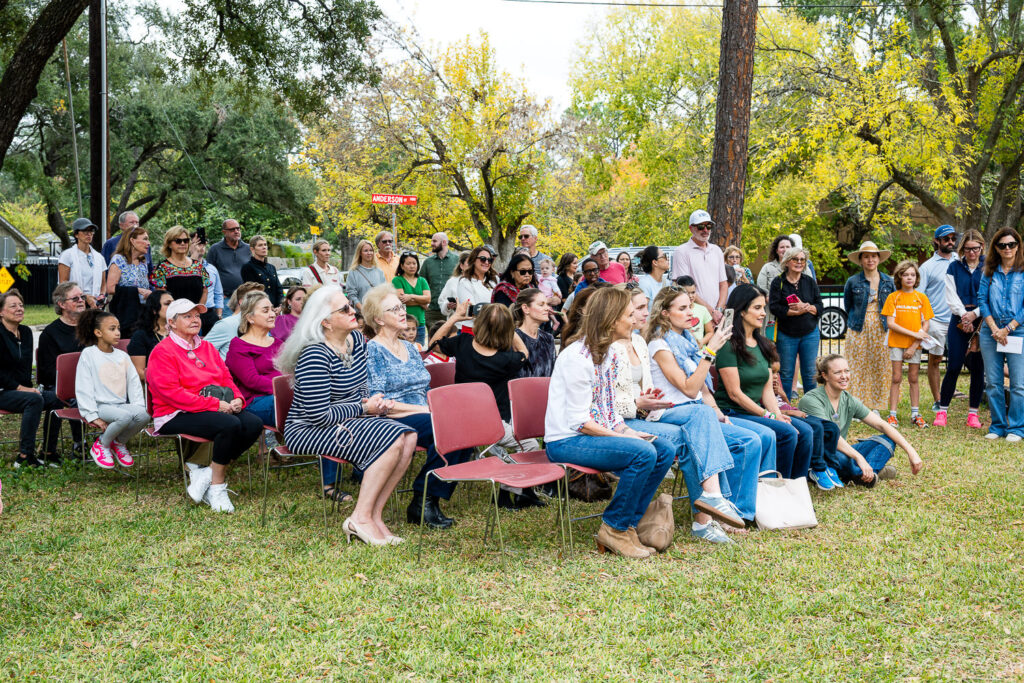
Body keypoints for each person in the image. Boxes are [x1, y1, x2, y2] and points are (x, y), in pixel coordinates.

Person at [277, 286, 417, 545]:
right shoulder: (315, 354)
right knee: (394, 436)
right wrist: (364, 408)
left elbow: (360, 388)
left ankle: (375, 515)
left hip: (345, 420)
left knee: (408, 434)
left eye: (350, 305)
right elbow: (318, 415)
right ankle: (359, 519)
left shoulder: (357, 342)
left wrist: (368, 400)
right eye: (344, 309)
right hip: (307, 430)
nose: (353, 311)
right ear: (326, 321)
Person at [545, 287, 672, 558]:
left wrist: (629, 431)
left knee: (664, 449)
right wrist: (627, 439)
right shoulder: (577, 358)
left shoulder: (612, 354)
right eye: (629, 314)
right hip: (566, 440)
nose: (635, 319)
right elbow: (580, 423)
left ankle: (628, 525)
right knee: (643, 452)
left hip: (593, 434)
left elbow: (609, 412)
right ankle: (613, 528)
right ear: (611, 320)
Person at [617, 287, 745, 542]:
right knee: (699, 419)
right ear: (621, 311)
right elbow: (607, 403)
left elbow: (693, 391)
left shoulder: (642, 342)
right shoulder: (626, 346)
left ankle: (707, 513)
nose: (645, 312)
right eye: (639, 307)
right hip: (628, 420)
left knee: (700, 425)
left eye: (645, 306)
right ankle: (709, 508)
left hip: (655, 412)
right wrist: (710, 352)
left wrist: (648, 401)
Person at [644, 286, 774, 536]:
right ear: (664, 314)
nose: (689, 312)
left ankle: (736, 512)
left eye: (689, 306)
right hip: (671, 413)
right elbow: (689, 389)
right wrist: (710, 350)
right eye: (682, 308)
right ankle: (713, 512)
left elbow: (703, 391)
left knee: (749, 440)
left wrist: (718, 412)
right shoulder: (659, 346)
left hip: (698, 411)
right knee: (700, 432)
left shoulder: (687, 341)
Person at [363, 285, 469, 529]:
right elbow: (378, 400)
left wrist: (438, 407)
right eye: (394, 309)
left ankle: (428, 498)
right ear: (378, 319)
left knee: (464, 429)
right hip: (390, 417)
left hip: (424, 412)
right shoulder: (373, 350)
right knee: (449, 428)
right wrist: (428, 412)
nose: (402, 312)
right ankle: (423, 499)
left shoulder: (411, 348)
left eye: (402, 307)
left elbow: (424, 389)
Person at [148, 299, 263, 513]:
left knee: (254, 423)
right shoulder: (163, 351)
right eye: (187, 316)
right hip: (174, 413)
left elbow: (226, 378)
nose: (195, 320)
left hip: (211, 406)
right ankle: (217, 487)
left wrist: (237, 398)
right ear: (171, 323)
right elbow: (171, 394)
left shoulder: (207, 347)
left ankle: (207, 473)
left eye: (197, 316)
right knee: (228, 425)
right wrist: (214, 405)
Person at [428, 301, 544, 509]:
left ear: (478, 325)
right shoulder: (506, 359)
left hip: (459, 417)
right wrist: (511, 331)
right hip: (492, 424)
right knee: (530, 445)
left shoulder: (463, 343)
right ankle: (512, 491)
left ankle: (518, 493)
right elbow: (524, 352)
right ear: (507, 331)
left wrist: (455, 317)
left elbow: (434, 343)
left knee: (505, 445)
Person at [716, 284, 813, 481]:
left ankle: (795, 487)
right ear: (742, 311)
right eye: (757, 308)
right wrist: (769, 415)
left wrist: (777, 414)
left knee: (806, 431)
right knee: (787, 433)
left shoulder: (762, 344)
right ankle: (775, 488)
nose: (763, 313)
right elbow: (735, 393)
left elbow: (767, 389)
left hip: (758, 411)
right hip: (733, 412)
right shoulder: (728, 344)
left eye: (763, 308)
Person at [800, 354, 925, 484]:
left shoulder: (849, 400)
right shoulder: (811, 400)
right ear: (825, 375)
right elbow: (832, 438)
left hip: (845, 453)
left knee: (888, 440)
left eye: (846, 371)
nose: (844, 376)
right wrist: (859, 457)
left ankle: (863, 473)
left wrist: (911, 451)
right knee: (842, 458)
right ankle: (866, 472)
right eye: (838, 372)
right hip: (823, 455)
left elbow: (882, 425)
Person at [74, 309, 148, 469]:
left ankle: (118, 442)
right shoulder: (89, 354)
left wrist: (138, 406)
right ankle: (101, 444)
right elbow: (83, 386)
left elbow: (134, 383)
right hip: (100, 406)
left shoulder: (122, 356)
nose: (117, 333)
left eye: (118, 328)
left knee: (144, 415)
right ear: (98, 332)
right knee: (124, 417)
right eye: (112, 329)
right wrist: (92, 415)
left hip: (120, 405)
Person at [0, 290, 63, 468]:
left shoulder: (26, 332)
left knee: (56, 398)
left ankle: (48, 452)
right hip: (3, 391)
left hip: (23, 391)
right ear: (1, 312)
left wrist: (27, 388)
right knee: (34, 399)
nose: (19, 309)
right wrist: (21, 388)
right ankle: (24, 456)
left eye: (21, 305)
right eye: (13, 306)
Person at [978, 227, 1024, 442]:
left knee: (1018, 383)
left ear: (1018, 246)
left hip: (1018, 330)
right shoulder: (989, 270)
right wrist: (995, 328)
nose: (1007, 248)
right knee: (993, 382)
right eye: (1003, 245)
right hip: (990, 331)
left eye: (1011, 244)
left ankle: (1016, 428)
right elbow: (982, 300)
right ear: (996, 247)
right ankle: (998, 426)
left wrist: (1008, 328)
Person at [936, 230, 986, 428]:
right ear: (962, 248)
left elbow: (991, 294)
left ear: (981, 247)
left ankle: (973, 414)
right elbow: (950, 294)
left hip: (983, 320)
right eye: (967, 249)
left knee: (978, 368)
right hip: (958, 318)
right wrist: (964, 315)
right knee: (954, 365)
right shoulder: (954, 267)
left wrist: (976, 314)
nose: (972, 253)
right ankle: (942, 411)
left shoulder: (989, 268)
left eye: (975, 249)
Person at [843, 241, 896, 412]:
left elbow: (894, 305)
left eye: (873, 256)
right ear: (860, 260)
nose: (870, 260)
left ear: (879, 259)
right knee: (857, 366)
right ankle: (858, 405)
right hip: (858, 327)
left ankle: (877, 406)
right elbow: (848, 305)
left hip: (882, 328)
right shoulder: (852, 282)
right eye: (866, 257)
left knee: (880, 366)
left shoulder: (889, 281)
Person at [37, 282, 86, 463]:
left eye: (82, 296)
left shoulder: (91, 327)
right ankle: (79, 445)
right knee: (74, 397)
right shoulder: (50, 333)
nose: (81, 301)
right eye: (75, 298)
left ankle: (105, 444)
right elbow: (47, 371)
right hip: (59, 386)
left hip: (91, 383)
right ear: (62, 304)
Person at [881, 260, 933, 429]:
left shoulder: (921, 298)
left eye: (913, 274)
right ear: (899, 277)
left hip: (914, 346)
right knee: (896, 378)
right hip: (896, 343)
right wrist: (913, 334)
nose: (909, 278)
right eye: (906, 274)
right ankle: (892, 415)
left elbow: (925, 325)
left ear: (916, 277)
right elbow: (891, 323)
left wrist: (914, 344)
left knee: (913, 378)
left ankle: (915, 414)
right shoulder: (893, 297)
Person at [768, 246, 823, 401]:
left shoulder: (810, 282)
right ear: (787, 262)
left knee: (810, 373)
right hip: (787, 334)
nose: (799, 262)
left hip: (810, 333)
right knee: (785, 373)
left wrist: (807, 307)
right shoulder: (778, 282)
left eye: (802, 260)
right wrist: (794, 312)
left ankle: (812, 407)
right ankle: (785, 406)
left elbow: (820, 306)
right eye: (795, 259)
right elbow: (774, 307)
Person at [225, 291, 283, 427]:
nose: (273, 314)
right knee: (296, 403)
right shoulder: (239, 346)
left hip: (284, 395)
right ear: (250, 318)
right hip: (255, 401)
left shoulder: (279, 343)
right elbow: (252, 380)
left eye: (272, 309)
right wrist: (285, 390)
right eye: (265, 311)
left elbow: (292, 371)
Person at [919, 224, 959, 412]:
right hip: (936, 322)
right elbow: (919, 296)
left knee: (965, 359)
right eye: (946, 239)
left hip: (959, 320)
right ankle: (938, 399)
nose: (951, 242)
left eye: (953, 238)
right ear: (937, 241)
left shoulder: (961, 261)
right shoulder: (927, 267)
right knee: (935, 360)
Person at [670, 209, 728, 323]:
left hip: (717, 315)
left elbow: (723, 284)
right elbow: (684, 288)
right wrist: (711, 312)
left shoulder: (716, 251)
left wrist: (718, 310)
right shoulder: (682, 251)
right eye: (700, 226)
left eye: (709, 226)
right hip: (694, 313)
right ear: (691, 228)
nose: (705, 230)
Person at [105, 225, 152, 336]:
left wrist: (148, 293)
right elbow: (110, 288)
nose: (148, 243)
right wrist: (138, 290)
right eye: (145, 239)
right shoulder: (119, 259)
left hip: (143, 315)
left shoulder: (143, 262)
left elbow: (146, 287)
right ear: (132, 240)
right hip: (125, 315)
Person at [204, 282, 267, 359]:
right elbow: (203, 352)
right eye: (256, 299)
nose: (263, 303)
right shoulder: (226, 325)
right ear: (242, 302)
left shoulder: (263, 324)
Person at [150, 226, 210, 306]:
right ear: (169, 244)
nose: (182, 243)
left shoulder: (198, 266)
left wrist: (197, 312)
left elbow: (205, 292)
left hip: (196, 314)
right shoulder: (162, 268)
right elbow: (163, 297)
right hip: (174, 314)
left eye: (186, 240)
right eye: (178, 241)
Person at [58, 218, 107, 307]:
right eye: (85, 231)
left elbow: (103, 284)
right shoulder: (67, 255)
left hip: (95, 304)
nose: (89, 234)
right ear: (76, 234)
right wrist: (84, 297)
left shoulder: (99, 257)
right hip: (75, 303)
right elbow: (63, 285)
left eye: (91, 231)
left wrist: (102, 296)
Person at [127, 289, 172, 383]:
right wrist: (168, 382)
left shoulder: (179, 334)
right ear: (154, 310)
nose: (173, 307)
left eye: (174, 304)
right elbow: (140, 373)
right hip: (157, 387)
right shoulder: (141, 336)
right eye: (167, 304)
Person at [513, 288, 556, 378]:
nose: (547, 308)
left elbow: (552, 373)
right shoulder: (514, 337)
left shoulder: (548, 338)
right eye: (541, 305)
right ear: (525, 308)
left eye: (547, 304)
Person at [420, 232, 461, 327]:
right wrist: (424, 305)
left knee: (450, 340)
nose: (432, 244)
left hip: (451, 311)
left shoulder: (457, 261)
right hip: (432, 311)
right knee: (433, 340)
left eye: (434, 241)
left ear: (444, 242)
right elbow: (420, 283)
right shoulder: (428, 262)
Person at [455, 246, 499, 332]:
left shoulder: (495, 280)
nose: (486, 262)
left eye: (489, 260)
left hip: (494, 328)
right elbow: (472, 310)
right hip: (473, 329)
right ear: (474, 260)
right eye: (483, 259)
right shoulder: (465, 282)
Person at [206, 218, 251, 302]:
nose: (236, 231)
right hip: (226, 299)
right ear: (224, 232)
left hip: (247, 298)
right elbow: (208, 274)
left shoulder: (248, 248)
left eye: (238, 228)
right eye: (232, 229)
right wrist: (218, 295)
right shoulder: (215, 249)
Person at [392, 252, 430, 346]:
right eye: (408, 264)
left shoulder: (422, 280)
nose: (412, 266)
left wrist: (411, 296)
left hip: (419, 325)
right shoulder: (397, 280)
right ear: (402, 266)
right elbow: (401, 301)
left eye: (414, 263)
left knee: (419, 352)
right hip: (404, 324)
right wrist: (421, 302)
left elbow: (428, 299)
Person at [190, 236, 223, 335]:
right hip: (190, 311)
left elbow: (218, 293)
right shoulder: (182, 267)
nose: (201, 246)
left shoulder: (212, 268)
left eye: (203, 243)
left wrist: (219, 314)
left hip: (209, 313)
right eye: (197, 243)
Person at [239, 235, 282, 307]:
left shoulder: (272, 267)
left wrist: (280, 305)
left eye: (265, 245)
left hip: (275, 310)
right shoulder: (247, 267)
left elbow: (279, 289)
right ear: (252, 249)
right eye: (260, 245)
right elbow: (252, 293)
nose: (264, 247)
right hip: (259, 309)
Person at [345, 239, 385, 311]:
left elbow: (384, 293)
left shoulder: (379, 272)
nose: (369, 253)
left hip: (378, 312)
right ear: (360, 253)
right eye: (366, 251)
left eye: (371, 250)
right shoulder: (353, 272)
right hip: (361, 314)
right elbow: (351, 295)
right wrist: (363, 310)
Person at [674, 275, 713, 344]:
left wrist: (701, 343)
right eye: (686, 293)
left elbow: (710, 332)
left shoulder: (702, 309)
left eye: (693, 292)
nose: (690, 296)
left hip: (700, 352)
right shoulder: (675, 311)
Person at [437, 251, 471, 319]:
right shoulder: (452, 282)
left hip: (477, 324)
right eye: (469, 263)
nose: (471, 265)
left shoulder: (481, 281)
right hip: (457, 324)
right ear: (461, 265)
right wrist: (448, 306)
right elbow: (442, 302)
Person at [637, 245, 669, 310]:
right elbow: (642, 310)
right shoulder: (644, 284)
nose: (667, 259)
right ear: (655, 262)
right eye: (664, 256)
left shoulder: (667, 282)